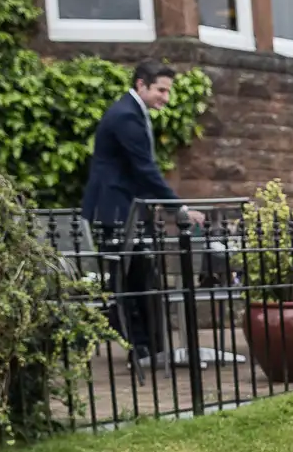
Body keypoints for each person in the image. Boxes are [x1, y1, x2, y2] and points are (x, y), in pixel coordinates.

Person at [81, 61, 203, 365]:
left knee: (139, 279)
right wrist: (180, 208)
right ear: (141, 85)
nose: (166, 97)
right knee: (128, 282)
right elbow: (144, 168)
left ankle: (147, 347)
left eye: (167, 91)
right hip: (117, 211)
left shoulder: (131, 112)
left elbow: (135, 171)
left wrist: (157, 202)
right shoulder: (126, 116)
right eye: (161, 90)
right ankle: (141, 348)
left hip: (128, 207)